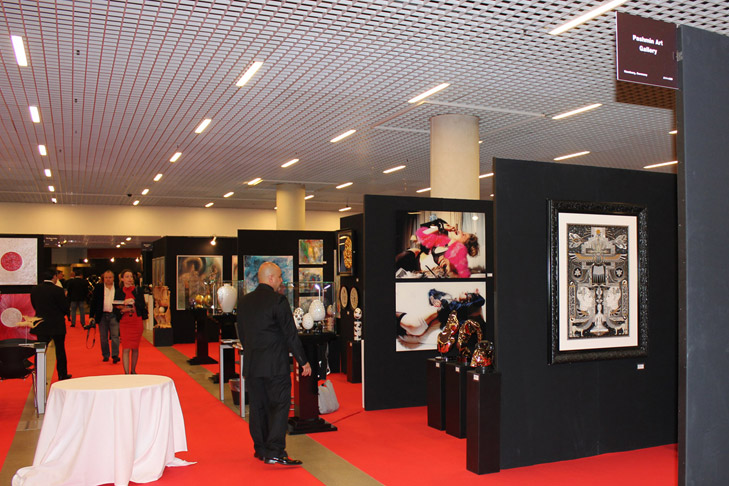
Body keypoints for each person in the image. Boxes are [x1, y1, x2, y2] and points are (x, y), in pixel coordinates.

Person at [238, 262, 311, 466]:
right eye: (279, 277)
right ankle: (275, 450)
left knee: (258, 407)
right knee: (279, 406)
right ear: (270, 278)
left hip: (252, 365)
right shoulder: (278, 301)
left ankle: (261, 449)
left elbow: (242, 334)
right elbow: (290, 334)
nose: (281, 281)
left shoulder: (244, 302)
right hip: (275, 366)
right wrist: (303, 361)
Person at [30, 269, 72, 380]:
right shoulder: (58, 290)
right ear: (54, 277)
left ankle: (39, 374)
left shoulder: (35, 289)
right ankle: (62, 374)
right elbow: (64, 307)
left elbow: (34, 305)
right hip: (57, 324)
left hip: (41, 323)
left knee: (40, 351)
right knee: (60, 350)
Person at [116, 269, 148, 374]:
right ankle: (126, 373)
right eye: (127, 276)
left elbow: (142, 306)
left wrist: (134, 302)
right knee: (125, 348)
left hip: (136, 322)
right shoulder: (118, 291)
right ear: (122, 279)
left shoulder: (138, 290)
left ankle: (133, 370)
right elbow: (115, 308)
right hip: (124, 322)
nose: (129, 279)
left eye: (131, 276)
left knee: (135, 347)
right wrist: (123, 309)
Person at [90, 270, 121, 363]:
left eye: (110, 277)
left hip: (114, 315)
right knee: (103, 338)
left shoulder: (118, 288)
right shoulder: (99, 287)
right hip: (102, 315)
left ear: (113, 278)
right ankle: (105, 355)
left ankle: (115, 355)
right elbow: (93, 302)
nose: (108, 279)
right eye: (106, 278)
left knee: (115, 336)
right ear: (103, 278)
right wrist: (91, 315)